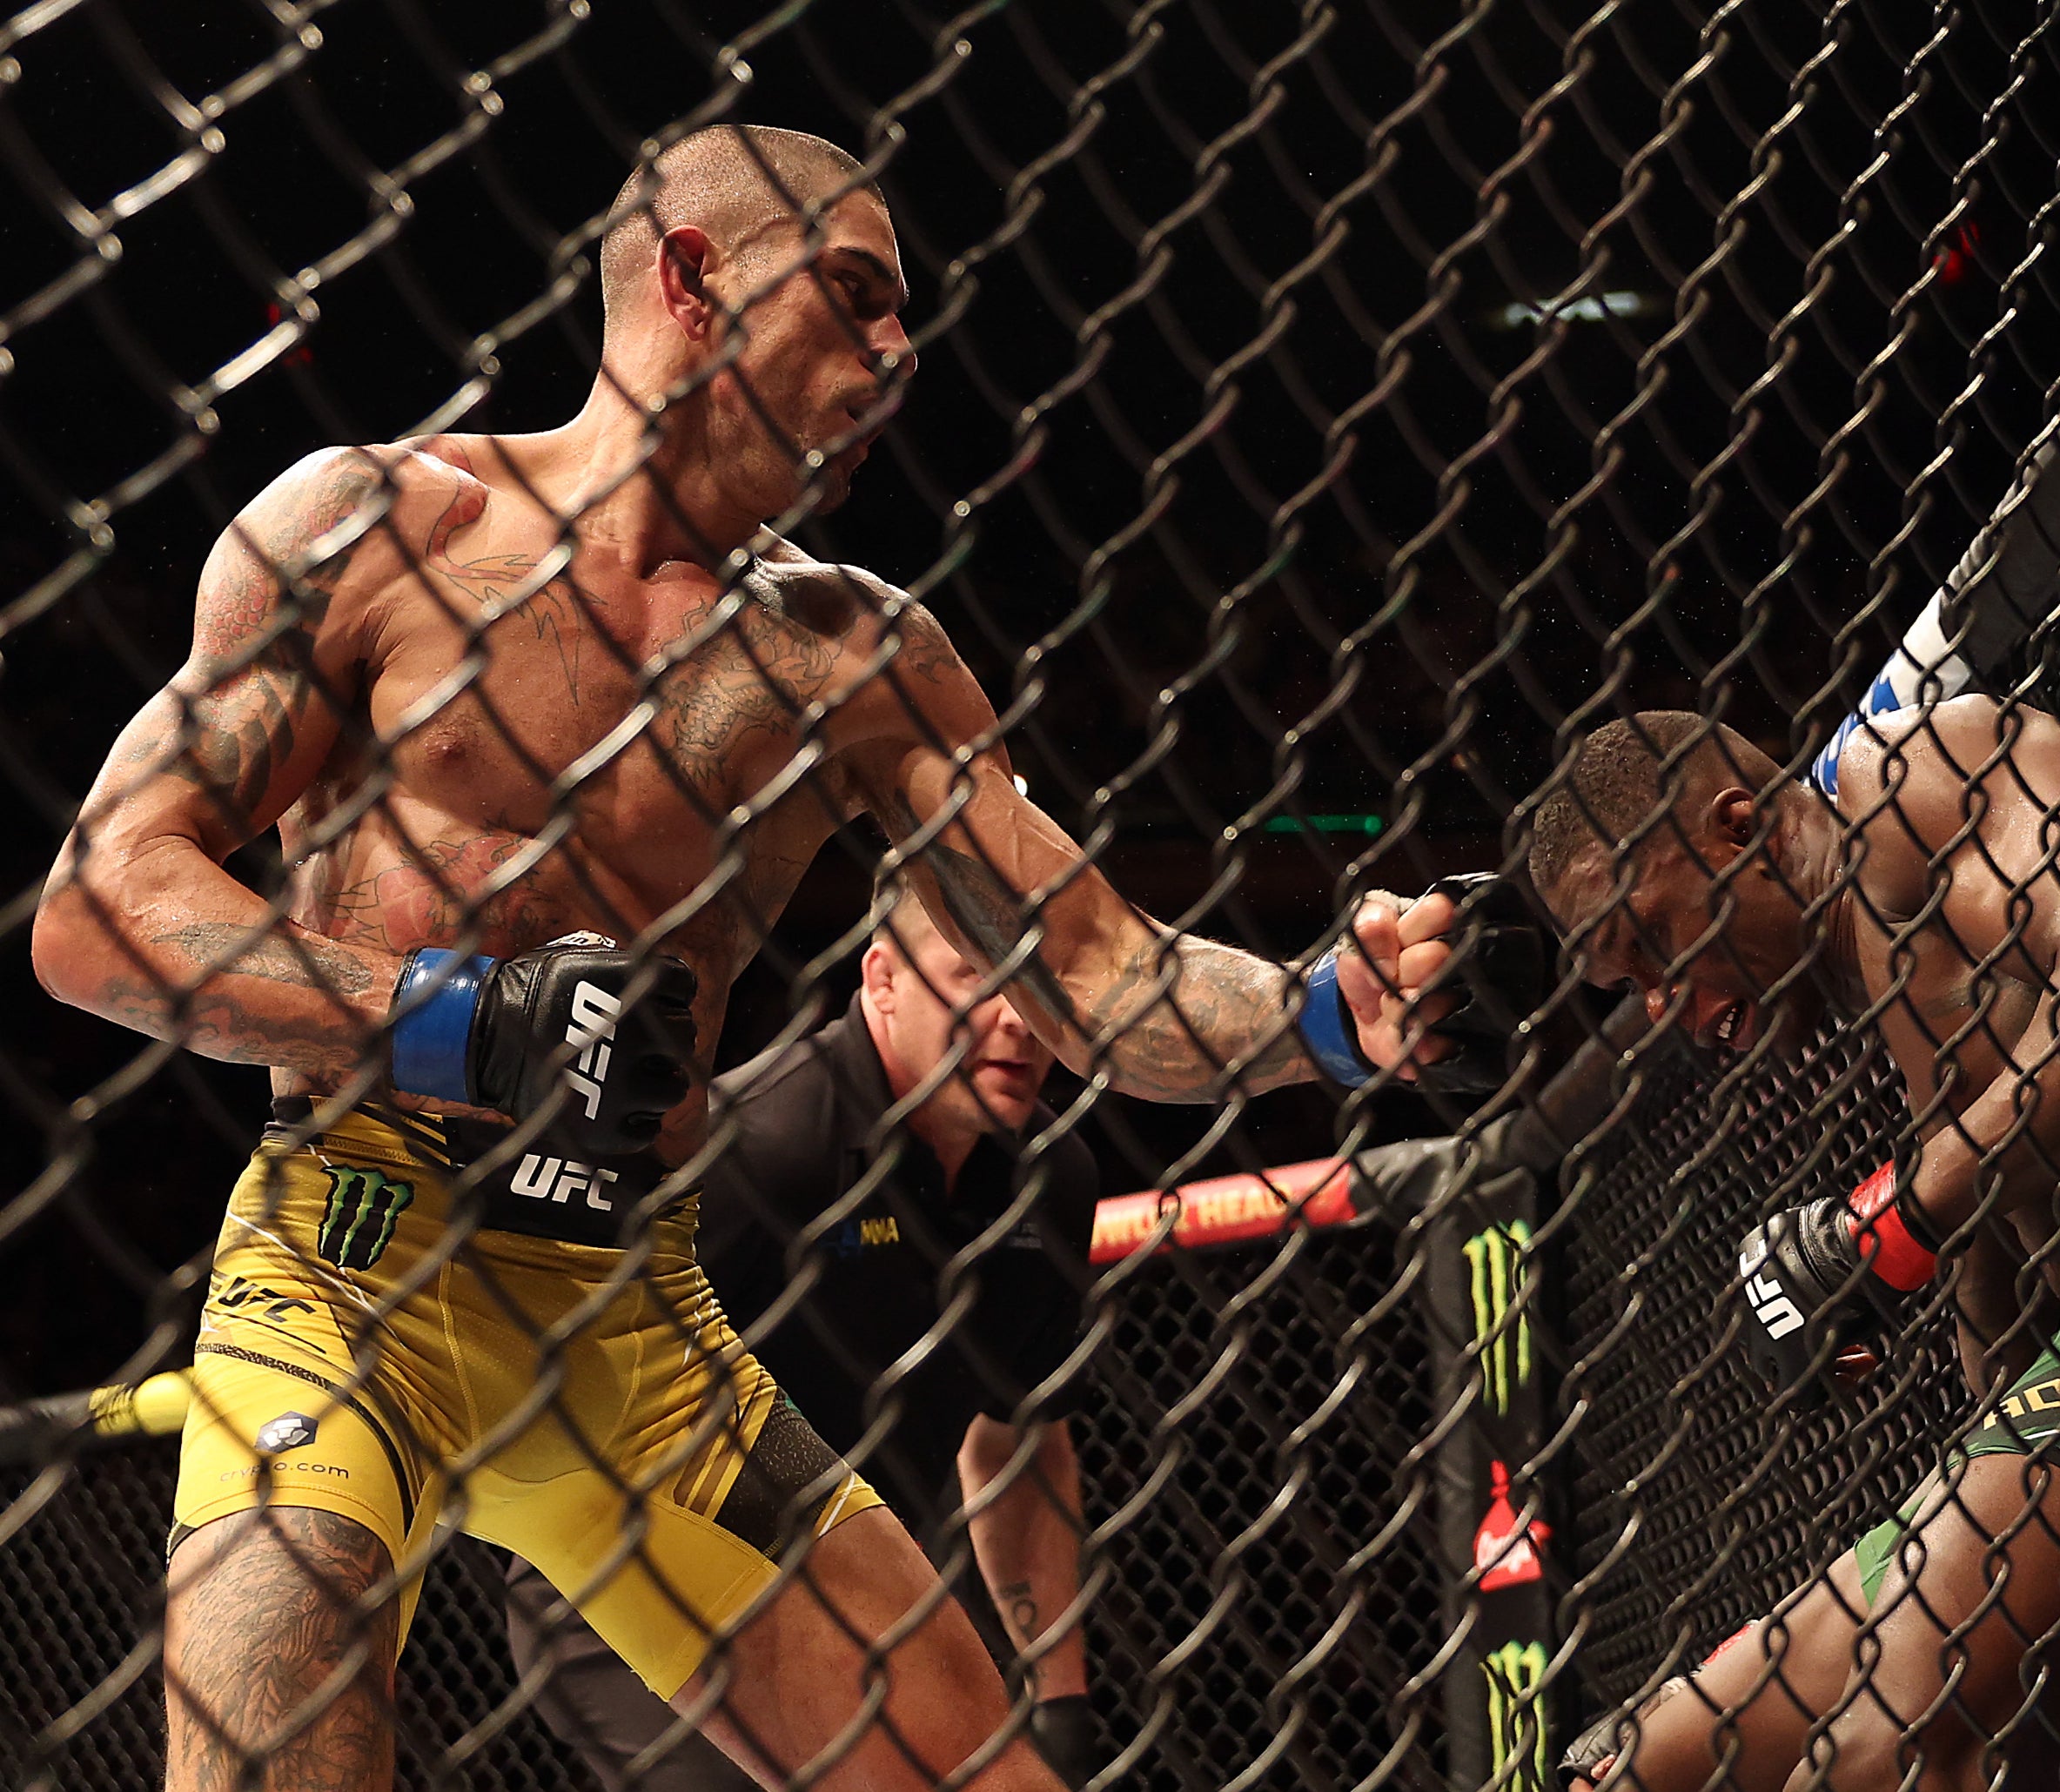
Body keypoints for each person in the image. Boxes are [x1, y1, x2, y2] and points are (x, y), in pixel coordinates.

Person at [27, 124, 1463, 1792]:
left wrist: (1318, 1014)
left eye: (901, 316)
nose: (894, 350)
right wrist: (460, 1024)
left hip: (629, 1311)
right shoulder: (378, 531)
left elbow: (1098, 965)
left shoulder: (856, 653)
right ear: (696, 277)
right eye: (854, 297)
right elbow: (100, 908)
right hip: (344, 1266)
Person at [1526, 701, 2060, 1792]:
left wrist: (1885, 1227)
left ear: (1736, 827)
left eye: (1648, 940)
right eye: (1625, 984)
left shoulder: (1917, 774)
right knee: (1653, 1769)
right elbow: (2006, 1373)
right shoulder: (1916, 1023)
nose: (1657, 1003)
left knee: (1889, 1749)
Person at [506, 891, 1104, 1792]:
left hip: (856, 1585)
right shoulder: (765, 1143)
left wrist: (1059, 1699)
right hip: (630, 1580)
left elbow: (1018, 1441)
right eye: (975, 981)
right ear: (883, 979)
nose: (1018, 1020)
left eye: (1034, 983)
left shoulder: (1052, 1181)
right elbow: (576, 1369)